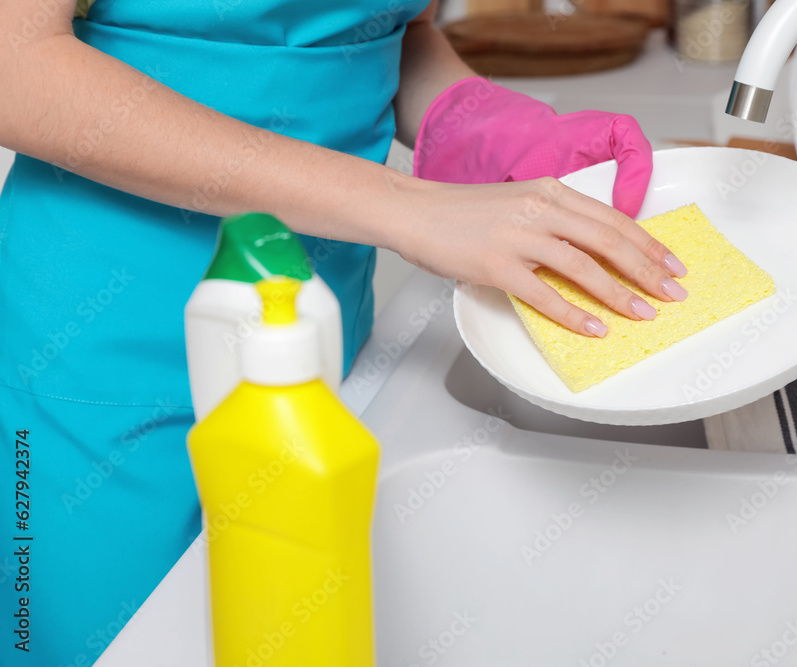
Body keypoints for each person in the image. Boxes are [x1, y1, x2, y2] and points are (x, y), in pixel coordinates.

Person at [0, 0, 688, 663]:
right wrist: (408, 208)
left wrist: (478, 121)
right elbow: (15, 64)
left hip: (313, 329)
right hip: (102, 351)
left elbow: (379, 27)